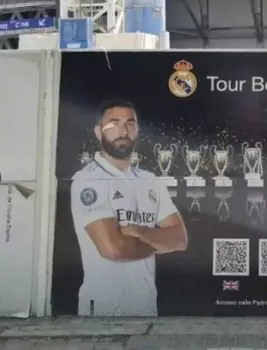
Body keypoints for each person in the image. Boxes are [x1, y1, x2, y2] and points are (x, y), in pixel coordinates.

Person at [70, 97, 187, 316]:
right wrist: (159, 243)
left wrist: (138, 231)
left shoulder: (150, 180)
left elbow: (180, 239)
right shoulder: (89, 181)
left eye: (130, 124)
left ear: (136, 131)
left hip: (146, 306)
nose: (123, 131)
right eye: (114, 124)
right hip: (104, 308)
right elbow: (113, 249)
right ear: (98, 132)